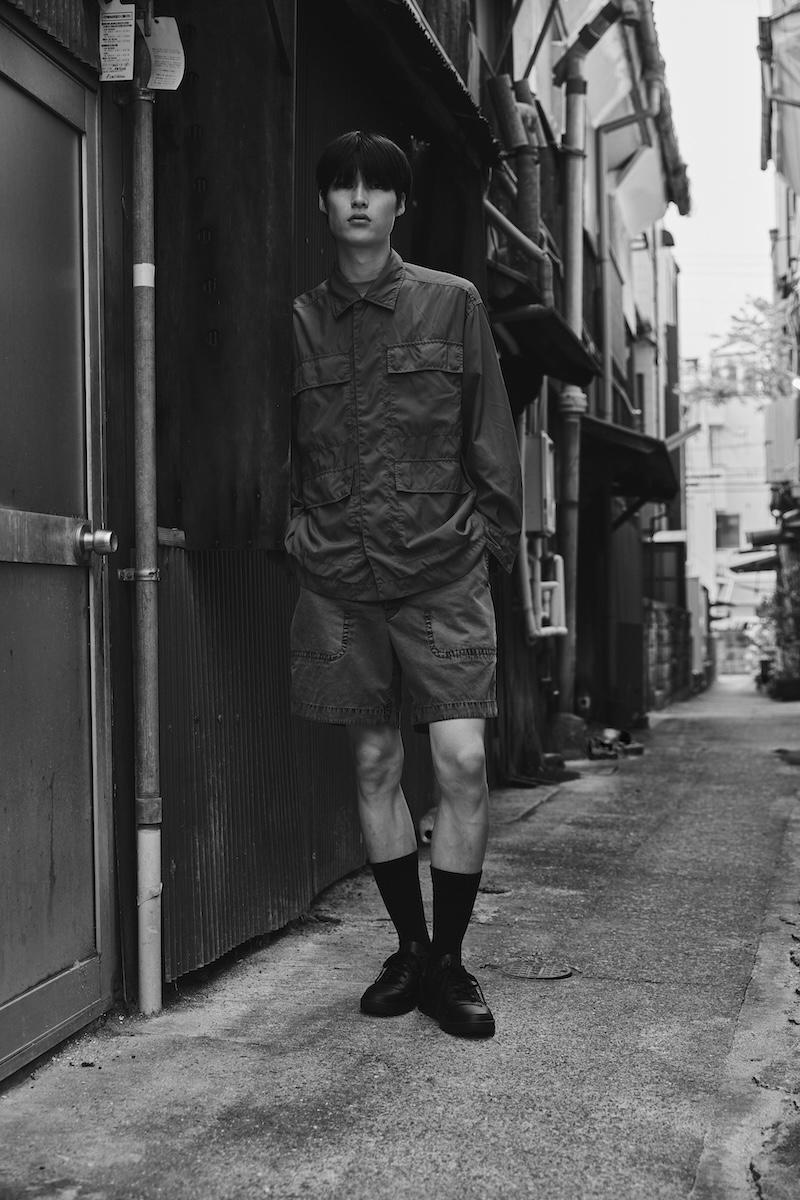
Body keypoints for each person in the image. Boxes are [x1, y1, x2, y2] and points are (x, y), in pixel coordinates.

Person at [286, 131, 522, 1038]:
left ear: (400, 205)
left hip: (441, 573)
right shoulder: (301, 321)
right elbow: (279, 442)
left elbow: (490, 431)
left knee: (461, 762)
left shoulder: (452, 303)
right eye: (342, 185)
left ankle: (452, 961)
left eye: (376, 187)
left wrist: (489, 539)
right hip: (342, 576)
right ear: (323, 204)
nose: (358, 199)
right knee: (376, 764)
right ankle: (411, 951)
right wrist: (296, 533)